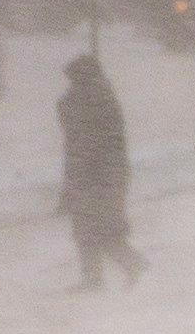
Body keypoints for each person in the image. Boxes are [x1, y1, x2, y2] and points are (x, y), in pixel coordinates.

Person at [56, 55, 147, 292]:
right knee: (100, 228)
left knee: (91, 229)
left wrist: (72, 184)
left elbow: (81, 144)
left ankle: (106, 274)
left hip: (95, 176)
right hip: (105, 174)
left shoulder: (87, 101)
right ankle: (120, 267)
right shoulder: (99, 98)